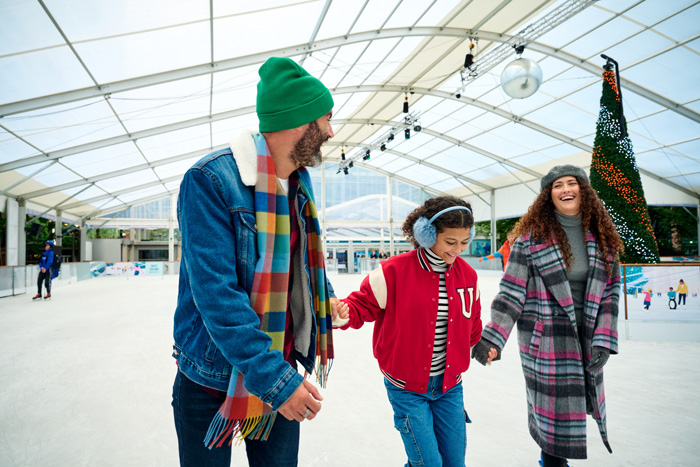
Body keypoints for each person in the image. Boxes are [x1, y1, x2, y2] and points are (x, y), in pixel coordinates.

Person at [171, 56, 343, 467]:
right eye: (326, 119)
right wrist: (278, 383)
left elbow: (299, 260)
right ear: (298, 121)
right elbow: (218, 297)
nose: (331, 131)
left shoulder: (298, 184)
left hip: (277, 363)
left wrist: (326, 299)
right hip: (214, 378)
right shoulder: (210, 181)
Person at [472, 165, 623, 467]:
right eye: (557, 186)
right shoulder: (530, 240)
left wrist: (605, 339)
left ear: (584, 190)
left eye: (572, 183)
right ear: (548, 195)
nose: (566, 190)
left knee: (576, 409)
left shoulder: (603, 238)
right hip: (547, 341)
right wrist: (491, 338)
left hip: (588, 337)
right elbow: (511, 292)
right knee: (553, 420)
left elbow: (611, 292)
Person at [335, 195, 497, 467]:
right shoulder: (394, 271)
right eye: (450, 242)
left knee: (454, 462)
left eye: (464, 242)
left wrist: (478, 345)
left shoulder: (468, 275)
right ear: (427, 233)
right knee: (427, 463)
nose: (457, 250)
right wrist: (342, 312)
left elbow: (473, 321)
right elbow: (360, 305)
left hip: (449, 386)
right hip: (406, 388)